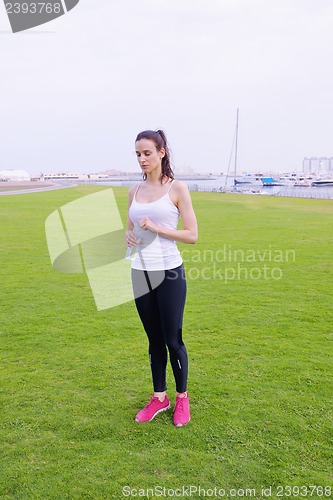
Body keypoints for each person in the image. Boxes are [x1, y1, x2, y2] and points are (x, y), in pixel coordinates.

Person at [126, 129, 198, 427]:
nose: (142, 159)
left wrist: (158, 228)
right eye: (138, 154)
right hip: (140, 271)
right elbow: (128, 229)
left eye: (147, 153)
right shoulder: (134, 191)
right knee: (153, 340)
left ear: (161, 152)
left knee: (172, 339)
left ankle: (182, 398)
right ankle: (160, 397)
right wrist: (129, 237)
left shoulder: (177, 188)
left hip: (169, 272)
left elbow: (192, 235)